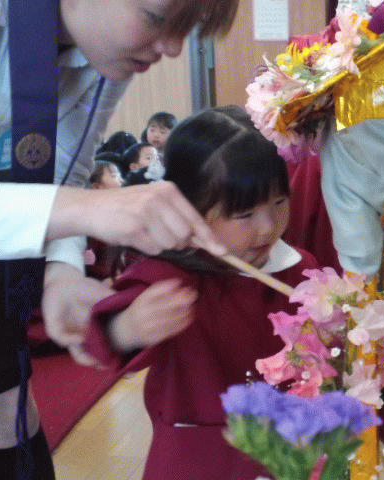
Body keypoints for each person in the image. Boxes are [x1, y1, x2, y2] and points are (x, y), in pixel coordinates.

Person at [0, 1, 239, 478]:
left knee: (4, 404)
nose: (173, 47)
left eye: (187, 29)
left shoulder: (106, 58)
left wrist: (61, 271)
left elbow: (66, 165)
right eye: (158, 18)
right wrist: (98, 209)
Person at [83, 105, 317, 480]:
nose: (268, 228)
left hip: (289, 451)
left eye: (279, 203)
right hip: (198, 459)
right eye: (244, 215)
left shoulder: (301, 269)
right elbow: (101, 336)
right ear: (189, 209)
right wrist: (127, 328)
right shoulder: (171, 277)